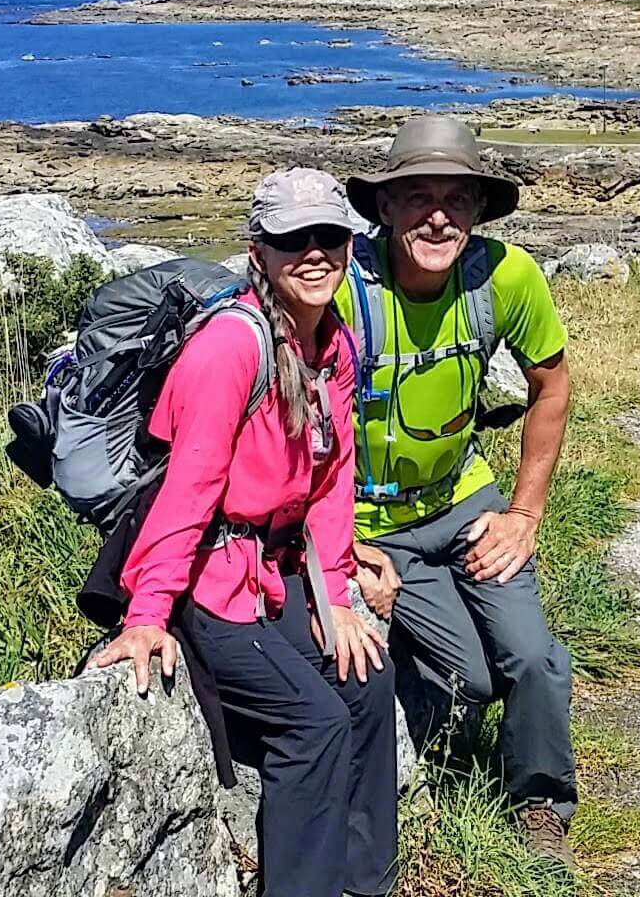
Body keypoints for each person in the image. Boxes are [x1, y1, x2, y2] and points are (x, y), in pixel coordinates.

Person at [89, 168, 397, 897]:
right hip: (208, 584)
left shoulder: (335, 348)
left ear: (349, 244)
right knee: (314, 723)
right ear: (258, 251)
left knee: (368, 677)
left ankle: (365, 881)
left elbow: (330, 478)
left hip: (274, 571)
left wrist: (338, 597)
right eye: (294, 239)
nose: (315, 253)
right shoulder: (229, 349)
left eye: (330, 235)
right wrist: (145, 618)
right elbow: (187, 494)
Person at [335, 113, 580, 863]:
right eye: (416, 197)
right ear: (383, 208)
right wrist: (338, 547)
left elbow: (553, 384)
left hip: (466, 500)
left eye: (457, 199)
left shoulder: (504, 276)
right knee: (466, 676)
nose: (438, 215)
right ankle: (429, 736)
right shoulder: (344, 286)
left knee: (533, 658)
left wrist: (524, 514)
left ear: (478, 211)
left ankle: (540, 803)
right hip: (372, 525)